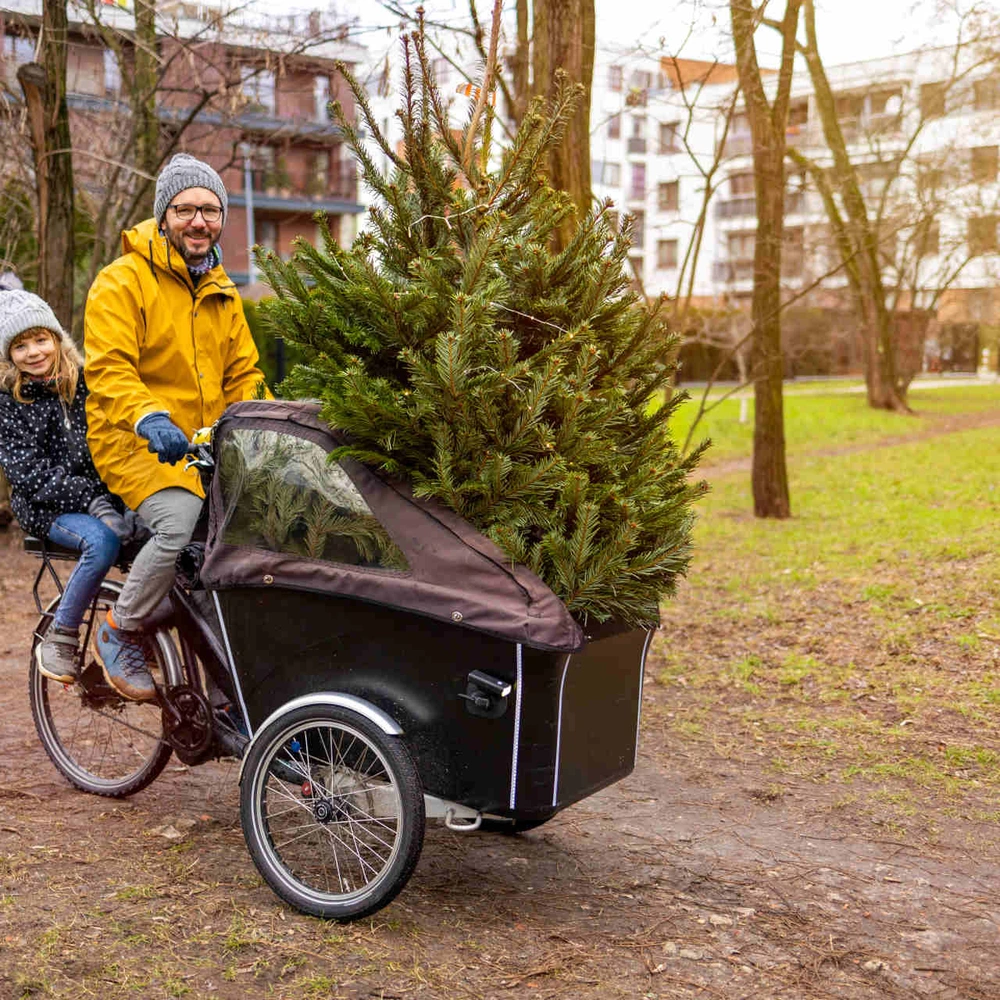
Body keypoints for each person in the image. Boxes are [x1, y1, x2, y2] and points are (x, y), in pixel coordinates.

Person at [84, 152, 268, 701]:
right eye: (185, 209)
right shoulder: (122, 281)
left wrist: (266, 426)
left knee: (247, 543)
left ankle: (227, 697)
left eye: (210, 210)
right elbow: (108, 369)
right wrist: (149, 416)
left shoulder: (222, 291)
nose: (198, 221)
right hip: (132, 439)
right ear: (164, 215)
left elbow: (244, 375)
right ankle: (121, 627)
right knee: (181, 521)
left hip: (202, 447)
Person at [0, 291, 137, 685]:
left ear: (57, 338)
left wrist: (128, 498)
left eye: (40, 339)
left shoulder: (86, 383)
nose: (33, 352)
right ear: (9, 356)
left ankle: (136, 633)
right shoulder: (9, 402)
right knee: (101, 541)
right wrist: (93, 502)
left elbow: (114, 443)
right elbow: (29, 473)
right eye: (20, 346)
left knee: (158, 534)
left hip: (102, 496)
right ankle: (61, 635)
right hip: (46, 505)